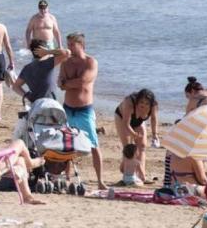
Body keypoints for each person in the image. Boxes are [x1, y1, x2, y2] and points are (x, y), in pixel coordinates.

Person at [58, 32, 105, 189]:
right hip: (68, 108)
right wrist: (67, 83)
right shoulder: (66, 62)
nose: (69, 48)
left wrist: (67, 83)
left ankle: (100, 181)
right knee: (66, 144)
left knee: (94, 144)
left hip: (84, 110)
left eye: (72, 44)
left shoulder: (90, 62)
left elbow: (83, 82)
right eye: (68, 44)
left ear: (82, 45)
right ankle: (67, 176)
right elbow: (60, 83)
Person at [113, 89, 159, 184]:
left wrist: (155, 134)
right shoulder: (129, 102)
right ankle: (127, 176)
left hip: (138, 122)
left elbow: (154, 119)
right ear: (137, 100)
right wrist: (134, 134)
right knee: (128, 147)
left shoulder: (154, 105)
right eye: (141, 102)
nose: (144, 105)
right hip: (122, 118)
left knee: (142, 146)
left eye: (147, 103)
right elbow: (126, 123)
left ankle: (141, 176)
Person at [12, 39, 70, 105]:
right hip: (50, 103)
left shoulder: (27, 68)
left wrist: (27, 95)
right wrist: (48, 51)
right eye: (45, 49)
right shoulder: (48, 63)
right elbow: (67, 53)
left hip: (36, 103)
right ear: (42, 50)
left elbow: (15, 87)